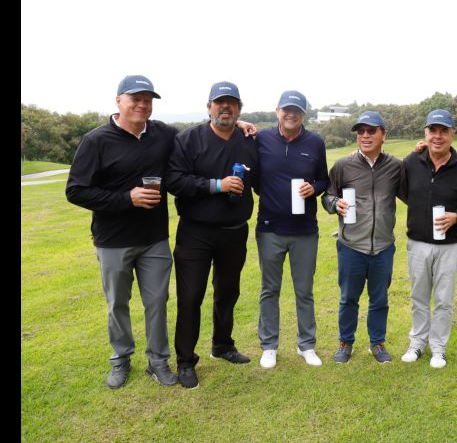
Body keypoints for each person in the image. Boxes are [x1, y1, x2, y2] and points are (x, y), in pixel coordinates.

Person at [65, 75, 178, 389]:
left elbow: (198, 137)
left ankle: (158, 362)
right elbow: (76, 191)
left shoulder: (163, 134)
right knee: (118, 304)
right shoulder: (96, 140)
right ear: (119, 101)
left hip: (155, 238)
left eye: (148, 100)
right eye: (135, 99)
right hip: (113, 240)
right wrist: (126, 198)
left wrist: (239, 124)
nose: (142, 105)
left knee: (157, 303)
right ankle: (121, 361)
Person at [165, 81, 259, 389]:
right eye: (220, 103)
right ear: (209, 108)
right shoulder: (188, 139)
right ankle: (185, 361)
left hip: (234, 232)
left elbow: (259, 178)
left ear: (239, 110)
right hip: (196, 233)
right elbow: (175, 180)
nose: (226, 108)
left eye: (232, 104)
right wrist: (216, 185)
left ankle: (222, 345)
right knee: (191, 297)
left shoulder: (248, 140)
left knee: (228, 293)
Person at [321, 111, 405, 364]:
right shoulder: (343, 166)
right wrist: (335, 203)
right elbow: (327, 196)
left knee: (380, 299)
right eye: (361, 132)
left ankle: (377, 344)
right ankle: (345, 343)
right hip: (351, 246)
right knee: (348, 299)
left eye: (371, 131)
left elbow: (414, 190)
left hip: (383, 246)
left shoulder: (396, 166)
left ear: (383, 135)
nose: (365, 136)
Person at [254, 90, 329, 369]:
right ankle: (269, 345)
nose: (291, 114)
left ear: (303, 115)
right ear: (277, 111)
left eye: (296, 110)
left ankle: (306, 345)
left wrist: (315, 188)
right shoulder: (261, 139)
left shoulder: (315, 142)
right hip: (270, 228)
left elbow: (324, 179)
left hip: (305, 230)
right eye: (286, 109)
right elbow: (254, 179)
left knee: (304, 290)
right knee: (269, 289)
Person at [399, 110, 457, 369]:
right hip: (418, 243)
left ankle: (439, 349)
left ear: (453, 134)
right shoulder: (412, 162)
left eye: (444, 131)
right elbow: (402, 190)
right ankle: (417, 343)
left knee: (443, 300)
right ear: (425, 134)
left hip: (450, 246)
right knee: (419, 296)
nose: (438, 136)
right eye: (433, 131)